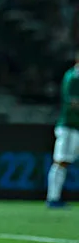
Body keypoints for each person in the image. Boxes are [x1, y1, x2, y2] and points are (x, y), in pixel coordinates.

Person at [46, 53, 79, 208]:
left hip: (76, 127)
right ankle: (53, 197)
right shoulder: (73, 77)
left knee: (64, 162)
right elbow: (73, 102)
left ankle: (54, 197)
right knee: (61, 161)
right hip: (68, 126)